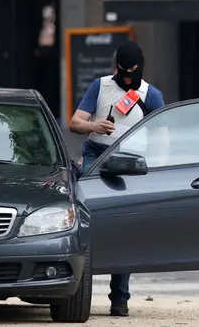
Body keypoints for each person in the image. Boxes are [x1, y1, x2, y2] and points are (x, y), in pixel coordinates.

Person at [69, 40, 165, 317]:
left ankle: (119, 299)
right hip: (95, 155)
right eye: (122, 71)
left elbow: (162, 137)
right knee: (85, 222)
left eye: (131, 72)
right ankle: (74, 291)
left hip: (131, 162)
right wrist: (94, 125)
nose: (126, 77)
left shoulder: (151, 95)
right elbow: (75, 123)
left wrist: (156, 168)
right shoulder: (100, 86)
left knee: (125, 227)